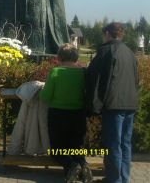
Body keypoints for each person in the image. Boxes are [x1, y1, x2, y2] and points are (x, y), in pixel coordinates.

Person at [87, 22, 139, 183]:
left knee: (113, 144)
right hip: (130, 104)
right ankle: (124, 178)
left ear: (108, 34)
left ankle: (114, 179)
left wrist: (93, 105)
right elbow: (136, 80)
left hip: (113, 105)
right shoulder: (130, 52)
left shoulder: (105, 51)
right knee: (125, 143)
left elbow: (93, 78)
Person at [39, 43, 93, 183]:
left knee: (57, 150)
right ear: (75, 56)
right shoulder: (83, 72)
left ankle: (71, 166)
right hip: (78, 114)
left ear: (60, 56)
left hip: (58, 114)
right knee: (76, 147)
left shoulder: (55, 72)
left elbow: (45, 97)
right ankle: (83, 165)